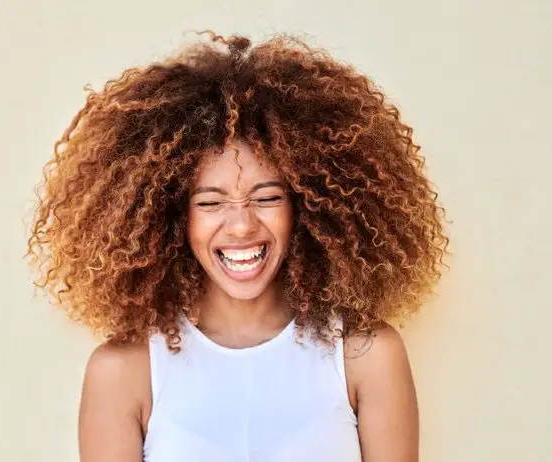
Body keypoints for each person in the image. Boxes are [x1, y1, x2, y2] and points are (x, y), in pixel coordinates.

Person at [26, 32, 448, 462]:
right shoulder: (124, 372)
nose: (242, 225)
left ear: (305, 204)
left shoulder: (367, 356)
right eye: (210, 202)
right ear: (172, 215)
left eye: (267, 198)